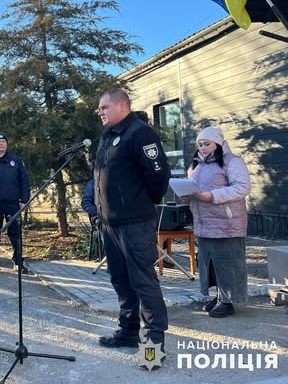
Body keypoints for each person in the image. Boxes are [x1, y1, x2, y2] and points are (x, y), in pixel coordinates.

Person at [93, 89, 170, 355]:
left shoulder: (140, 133)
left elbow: (158, 175)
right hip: (110, 224)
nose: (100, 111)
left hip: (135, 223)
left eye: (104, 107)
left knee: (143, 281)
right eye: (99, 108)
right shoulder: (108, 136)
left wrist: (141, 201)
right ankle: (127, 332)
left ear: (122, 105)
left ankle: (153, 346)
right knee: (120, 279)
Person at [187, 126, 251, 318]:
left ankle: (228, 301)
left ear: (218, 142)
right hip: (204, 222)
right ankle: (218, 296)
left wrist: (212, 196)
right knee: (210, 263)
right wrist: (187, 194)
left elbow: (242, 187)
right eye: (200, 144)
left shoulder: (232, 162)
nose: (203, 148)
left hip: (226, 222)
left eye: (207, 144)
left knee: (228, 262)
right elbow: (194, 187)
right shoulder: (196, 164)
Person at [0, 133, 30, 275]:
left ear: (6, 144)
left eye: (3, 141)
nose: (1, 143)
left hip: (12, 204)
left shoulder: (16, 160)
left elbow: (24, 182)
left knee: (15, 234)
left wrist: (24, 200)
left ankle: (18, 262)